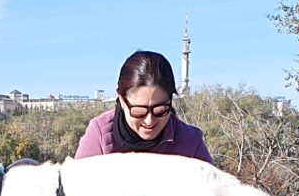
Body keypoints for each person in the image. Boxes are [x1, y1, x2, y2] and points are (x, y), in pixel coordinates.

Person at [75, 51, 212, 162]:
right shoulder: (100, 135)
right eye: (139, 111)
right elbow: (77, 191)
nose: (149, 121)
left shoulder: (191, 142)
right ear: (122, 100)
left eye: (160, 110)